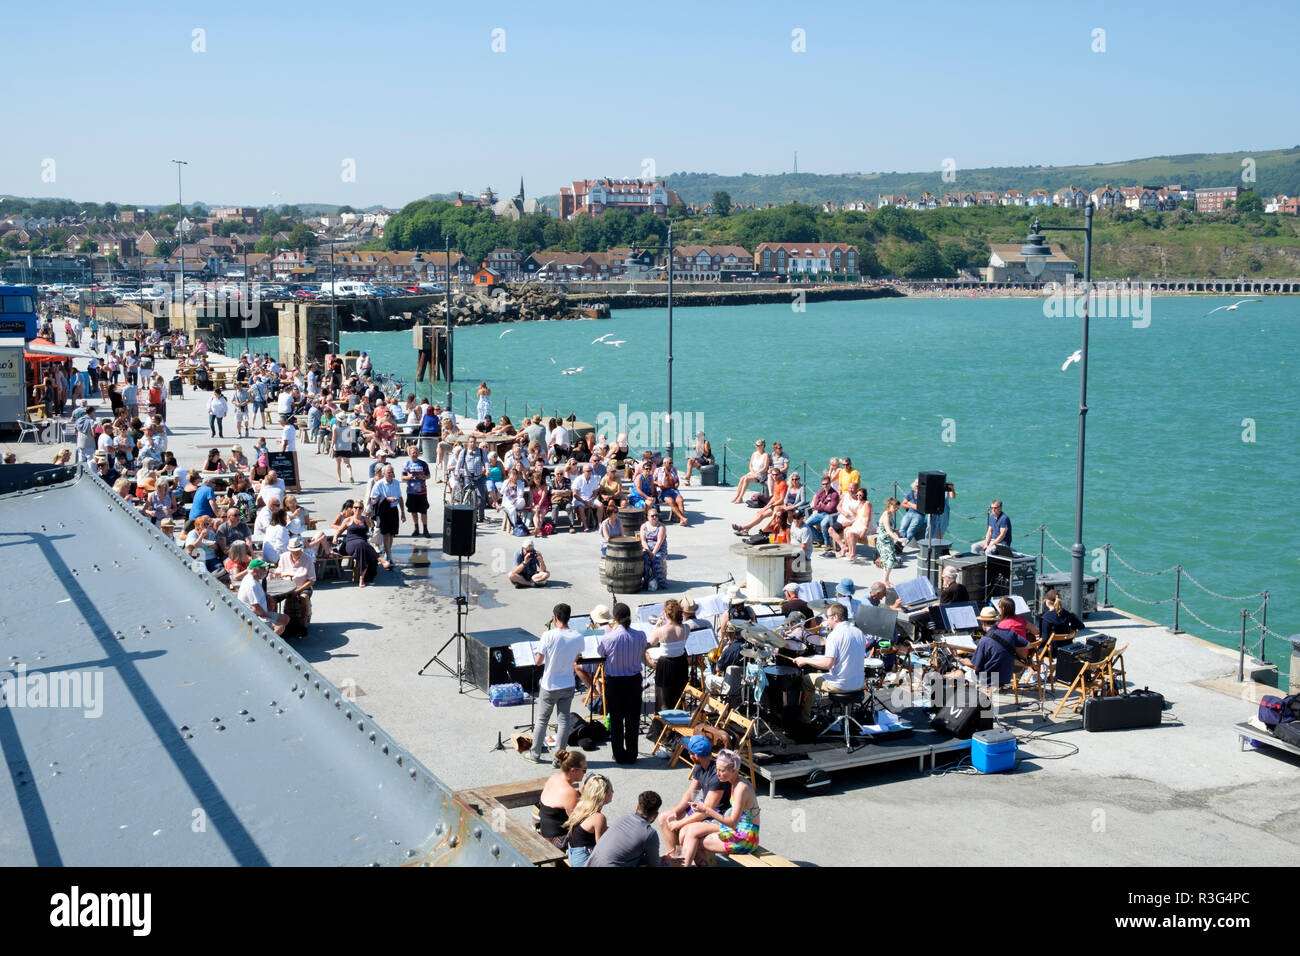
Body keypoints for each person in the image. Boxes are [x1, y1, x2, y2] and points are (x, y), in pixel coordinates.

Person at [678, 749, 760, 865]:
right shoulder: (736, 781)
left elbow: (732, 823)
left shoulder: (741, 788)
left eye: (721, 770)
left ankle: (683, 864)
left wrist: (707, 809)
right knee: (686, 830)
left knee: (692, 841)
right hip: (738, 829)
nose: (717, 773)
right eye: (717, 769)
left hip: (746, 838)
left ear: (733, 770)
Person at [528, 603, 586, 764]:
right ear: (569, 618)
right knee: (564, 721)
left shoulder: (548, 635)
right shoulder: (577, 636)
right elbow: (577, 657)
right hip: (568, 683)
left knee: (542, 720)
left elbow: (538, 662)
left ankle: (535, 754)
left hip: (550, 684)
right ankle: (558, 759)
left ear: (555, 618)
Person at [660, 734, 731, 860]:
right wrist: (676, 812)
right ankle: (677, 859)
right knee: (664, 817)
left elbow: (706, 811)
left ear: (696, 756)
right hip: (703, 807)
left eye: (689, 751)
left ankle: (690, 859)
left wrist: (680, 823)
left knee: (684, 830)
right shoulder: (699, 766)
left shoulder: (717, 775)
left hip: (717, 814)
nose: (688, 753)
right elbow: (691, 793)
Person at [793, 602, 866, 721]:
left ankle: (804, 720)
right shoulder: (859, 632)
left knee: (806, 680)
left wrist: (805, 660)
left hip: (841, 685)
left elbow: (828, 664)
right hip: (859, 683)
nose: (827, 621)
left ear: (835, 617)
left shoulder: (834, 635)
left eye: (828, 617)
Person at [598, 603, 647, 765]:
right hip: (633, 681)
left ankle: (619, 755)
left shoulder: (608, 637)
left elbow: (600, 654)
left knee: (617, 720)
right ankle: (632, 755)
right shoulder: (640, 635)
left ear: (615, 618)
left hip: (615, 683)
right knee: (633, 720)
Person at [585, 791, 665, 868]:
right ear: (656, 815)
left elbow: (623, 854)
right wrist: (669, 863)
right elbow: (655, 865)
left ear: (637, 808)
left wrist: (659, 859)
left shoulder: (623, 819)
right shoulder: (649, 834)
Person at [959, 605, 1030, 690]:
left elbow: (975, 666)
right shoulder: (1010, 633)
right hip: (1007, 676)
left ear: (983, 623)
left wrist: (959, 659)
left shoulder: (984, 641)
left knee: (963, 671)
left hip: (990, 679)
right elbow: (1028, 644)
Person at [648, 599, 690, 724]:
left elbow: (652, 642)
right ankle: (678, 723)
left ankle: (664, 729)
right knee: (678, 695)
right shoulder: (686, 628)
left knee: (664, 699)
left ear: (667, 614)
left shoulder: (661, 630)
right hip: (681, 663)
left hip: (666, 665)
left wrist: (657, 626)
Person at [536, 750, 586, 849]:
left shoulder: (554, 777)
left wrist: (580, 792)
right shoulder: (569, 792)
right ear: (573, 770)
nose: (585, 773)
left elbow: (562, 802)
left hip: (544, 828)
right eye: (584, 770)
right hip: (556, 839)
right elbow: (578, 822)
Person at [564, 772, 613, 868]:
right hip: (583, 860)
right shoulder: (599, 818)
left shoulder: (582, 807)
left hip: (573, 854)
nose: (613, 793)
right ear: (603, 795)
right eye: (611, 790)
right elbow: (602, 848)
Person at [239, 559, 290, 635]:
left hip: (261, 612)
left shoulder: (254, 578)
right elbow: (256, 608)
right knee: (280, 627)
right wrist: (268, 616)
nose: (264, 571)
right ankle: (270, 643)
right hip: (253, 616)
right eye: (262, 568)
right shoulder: (251, 584)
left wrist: (267, 596)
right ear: (254, 570)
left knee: (285, 618)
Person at [369, 464, 404, 569]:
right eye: (389, 472)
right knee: (386, 533)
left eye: (392, 472)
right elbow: (373, 499)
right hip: (384, 511)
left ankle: (387, 552)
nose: (392, 474)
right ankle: (388, 556)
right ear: (383, 474)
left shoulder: (396, 483)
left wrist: (402, 512)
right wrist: (386, 499)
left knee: (392, 534)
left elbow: (400, 497)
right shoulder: (379, 484)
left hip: (393, 510)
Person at [339, 503, 379, 587]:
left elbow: (371, 528)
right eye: (355, 507)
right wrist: (335, 538)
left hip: (362, 544)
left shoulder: (365, 520)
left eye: (360, 507)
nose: (357, 509)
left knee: (362, 550)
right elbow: (339, 531)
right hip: (351, 543)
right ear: (353, 509)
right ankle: (380, 558)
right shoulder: (348, 520)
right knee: (362, 545)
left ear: (362, 509)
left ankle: (362, 578)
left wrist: (369, 521)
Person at [832, 486, 875, 560]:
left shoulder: (867, 504)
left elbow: (868, 519)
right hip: (860, 524)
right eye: (857, 495)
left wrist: (864, 531)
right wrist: (849, 522)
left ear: (864, 495)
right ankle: (850, 551)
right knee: (846, 530)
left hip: (868, 526)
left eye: (860, 495)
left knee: (850, 533)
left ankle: (853, 554)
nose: (858, 497)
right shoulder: (859, 504)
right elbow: (858, 517)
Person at [1039, 589, 1084, 656]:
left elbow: (1044, 639)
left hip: (1052, 651)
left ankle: (1041, 664)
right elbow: (1081, 626)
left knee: (1034, 648)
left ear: (1047, 602)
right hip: (1067, 648)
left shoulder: (1046, 618)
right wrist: (1071, 630)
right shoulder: (1066, 613)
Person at [400, 444, 431, 537]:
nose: (415, 454)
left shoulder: (423, 464)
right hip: (411, 492)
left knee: (423, 511)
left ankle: (425, 529)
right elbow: (402, 477)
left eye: (416, 452)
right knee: (413, 511)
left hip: (422, 491)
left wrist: (422, 477)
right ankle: (416, 528)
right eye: (413, 453)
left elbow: (429, 476)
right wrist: (408, 477)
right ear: (409, 454)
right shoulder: (406, 464)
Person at [875, 496, 905, 586]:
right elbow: (888, 530)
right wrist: (898, 539)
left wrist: (896, 531)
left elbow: (890, 529)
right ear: (890, 505)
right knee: (890, 560)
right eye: (895, 507)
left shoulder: (890, 514)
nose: (896, 509)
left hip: (888, 541)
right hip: (883, 542)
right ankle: (885, 580)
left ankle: (886, 579)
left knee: (889, 560)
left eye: (897, 507)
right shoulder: (886, 515)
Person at [729, 438, 770, 504]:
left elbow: (765, 467)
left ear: (763, 446)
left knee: (746, 479)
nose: (757, 446)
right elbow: (750, 465)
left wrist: (756, 473)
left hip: (761, 474)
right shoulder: (754, 454)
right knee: (742, 478)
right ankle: (737, 496)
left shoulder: (766, 455)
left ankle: (740, 498)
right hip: (753, 472)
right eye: (756, 445)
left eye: (758, 445)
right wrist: (753, 472)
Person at [640, 508, 668, 591]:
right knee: (645, 559)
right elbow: (643, 541)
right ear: (648, 517)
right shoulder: (644, 526)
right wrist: (649, 552)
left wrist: (653, 553)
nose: (654, 517)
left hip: (659, 549)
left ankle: (661, 583)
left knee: (657, 559)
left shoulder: (661, 527)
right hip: (647, 549)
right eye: (652, 516)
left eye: (656, 515)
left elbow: (659, 542)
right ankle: (646, 582)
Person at [654, 457, 688, 525]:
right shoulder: (658, 470)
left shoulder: (673, 470)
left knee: (680, 500)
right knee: (671, 501)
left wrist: (677, 484)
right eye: (670, 463)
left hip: (673, 490)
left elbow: (677, 480)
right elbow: (652, 480)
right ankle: (682, 518)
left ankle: (682, 520)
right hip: (663, 491)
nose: (671, 464)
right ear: (664, 463)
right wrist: (658, 483)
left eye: (672, 463)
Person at [571, 463, 601, 532]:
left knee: (600, 505)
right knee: (581, 507)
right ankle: (585, 525)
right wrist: (584, 501)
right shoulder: (578, 479)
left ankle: (599, 524)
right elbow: (575, 494)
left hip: (590, 499)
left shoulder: (594, 479)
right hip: (580, 499)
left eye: (591, 470)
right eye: (588, 471)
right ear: (583, 471)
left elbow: (595, 492)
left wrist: (591, 500)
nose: (590, 472)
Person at [898, 478, 925, 544]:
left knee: (910, 531)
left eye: (918, 483)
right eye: (916, 483)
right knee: (902, 528)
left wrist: (909, 503)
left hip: (919, 515)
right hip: (909, 513)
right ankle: (899, 543)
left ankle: (902, 545)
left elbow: (919, 508)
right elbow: (903, 504)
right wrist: (913, 506)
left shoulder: (924, 495)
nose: (917, 484)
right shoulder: (911, 493)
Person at [332, 415, 356, 482]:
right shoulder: (349, 426)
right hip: (347, 446)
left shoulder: (335, 426)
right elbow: (351, 437)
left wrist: (331, 446)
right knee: (347, 463)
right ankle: (350, 475)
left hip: (338, 446)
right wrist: (350, 445)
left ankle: (339, 478)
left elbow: (334, 437)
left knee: (338, 463)